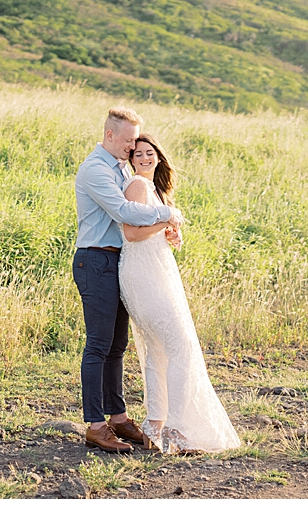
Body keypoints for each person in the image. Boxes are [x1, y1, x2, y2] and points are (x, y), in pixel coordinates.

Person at [119, 133, 241, 453]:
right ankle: (175, 428)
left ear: (159, 157)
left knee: (160, 350)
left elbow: (149, 231)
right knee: (180, 345)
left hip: (157, 271)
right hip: (142, 274)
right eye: (139, 154)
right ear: (131, 160)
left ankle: (154, 426)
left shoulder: (154, 190)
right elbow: (131, 233)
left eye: (150, 153)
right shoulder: (137, 186)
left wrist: (168, 234)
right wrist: (165, 221)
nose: (145, 158)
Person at [72, 107, 184, 453]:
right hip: (95, 259)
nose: (132, 146)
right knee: (98, 344)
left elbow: (136, 221)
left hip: (119, 261)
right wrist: (168, 213)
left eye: (136, 139)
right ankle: (95, 425)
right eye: (128, 140)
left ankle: (118, 417)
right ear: (109, 135)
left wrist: (161, 229)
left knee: (117, 346)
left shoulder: (121, 167)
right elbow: (123, 213)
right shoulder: (95, 170)